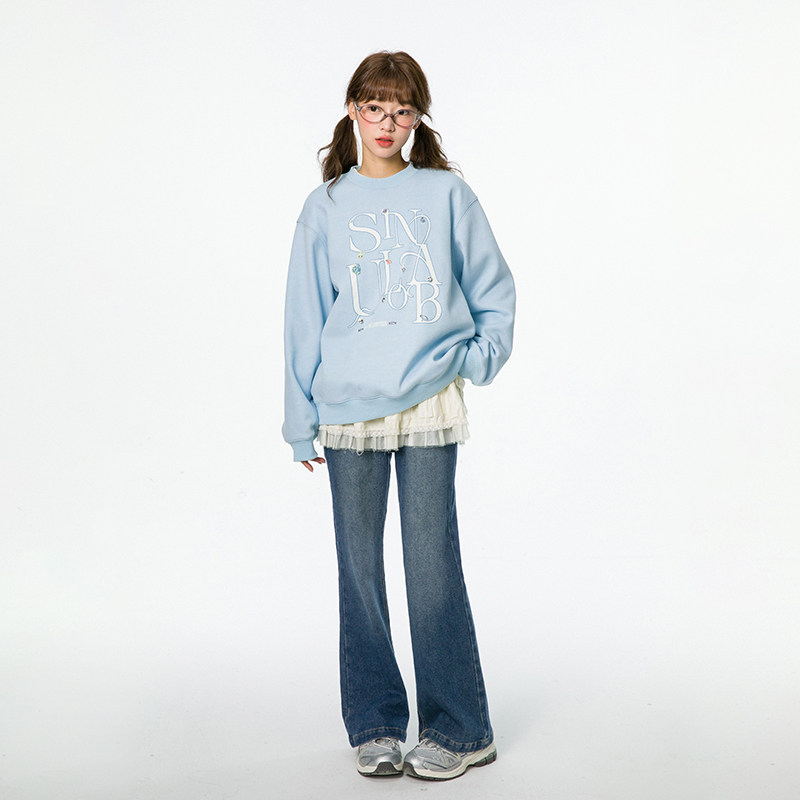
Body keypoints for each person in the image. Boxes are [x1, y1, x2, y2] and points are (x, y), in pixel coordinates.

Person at [282, 50, 516, 781]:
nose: (388, 123)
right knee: (359, 570)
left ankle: (461, 728)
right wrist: (299, 418)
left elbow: (494, 289)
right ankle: (376, 723)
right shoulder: (325, 207)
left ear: (418, 118)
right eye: (375, 108)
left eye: (403, 110)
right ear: (353, 111)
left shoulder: (446, 195)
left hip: (426, 401)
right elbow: (303, 317)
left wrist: (476, 357)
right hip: (347, 410)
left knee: (430, 564)